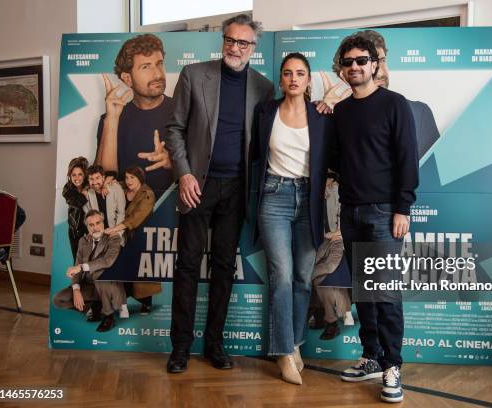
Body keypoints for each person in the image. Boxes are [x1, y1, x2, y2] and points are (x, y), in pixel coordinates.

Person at [164, 14, 275, 373]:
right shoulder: (195, 76)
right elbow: (175, 129)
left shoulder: (263, 87)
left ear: (253, 48)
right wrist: (184, 175)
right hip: (197, 186)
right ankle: (180, 348)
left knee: (225, 268)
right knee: (187, 266)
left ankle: (214, 344)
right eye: (230, 40)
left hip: (237, 190)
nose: (235, 47)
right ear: (222, 41)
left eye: (243, 42)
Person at [331, 36, 418, 403]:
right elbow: (337, 160)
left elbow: (407, 160)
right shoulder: (341, 111)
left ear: (375, 65)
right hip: (350, 212)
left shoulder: (395, 104)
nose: (355, 67)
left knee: (383, 292)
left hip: (385, 212)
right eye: (348, 62)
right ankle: (371, 357)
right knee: (363, 292)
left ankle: (393, 365)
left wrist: (403, 208)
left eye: (361, 61)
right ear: (342, 68)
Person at [251, 52, 331, 384]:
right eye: (287, 73)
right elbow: (255, 155)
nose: (294, 78)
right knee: (281, 276)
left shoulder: (322, 115)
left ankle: (296, 342)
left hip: (310, 200)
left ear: (309, 79)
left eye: (300, 73)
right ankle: (283, 352)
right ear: (281, 79)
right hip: (274, 196)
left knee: (302, 277)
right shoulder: (265, 111)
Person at [323, 29, 439, 159]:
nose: (379, 72)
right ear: (343, 75)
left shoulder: (419, 111)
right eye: (361, 62)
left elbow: (432, 170)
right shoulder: (338, 112)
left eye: (382, 61)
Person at [95, 33, 174, 197]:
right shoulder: (111, 118)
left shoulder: (184, 111)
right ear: (127, 79)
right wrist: (112, 120)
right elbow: (103, 179)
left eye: (159, 64)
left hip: (173, 215)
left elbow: (204, 170)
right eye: (146, 67)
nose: (158, 74)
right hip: (127, 216)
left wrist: (172, 161)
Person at [52, 210, 125, 332]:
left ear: (103, 223)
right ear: (87, 227)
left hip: (108, 285)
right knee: (58, 299)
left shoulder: (113, 238)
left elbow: (107, 261)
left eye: (98, 223)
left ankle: (109, 317)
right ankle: (94, 307)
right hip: (90, 286)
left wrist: (81, 267)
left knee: (98, 274)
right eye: (91, 225)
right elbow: (77, 265)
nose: (95, 228)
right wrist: (76, 289)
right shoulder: (83, 241)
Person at [105, 165, 159, 315]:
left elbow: (136, 219)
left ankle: (146, 303)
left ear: (140, 179)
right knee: (122, 270)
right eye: (127, 177)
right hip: (123, 236)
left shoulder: (147, 194)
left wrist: (115, 229)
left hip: (140, 235)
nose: (128, 181)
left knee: (142, 272)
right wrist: (108, 181)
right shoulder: (122, 187)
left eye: (132, 178)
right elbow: (112, 182)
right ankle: (122, 301)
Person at [309, 176, 353, 341]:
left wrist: (339, 233)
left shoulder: (341, 189)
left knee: (325, 271)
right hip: (320, 241)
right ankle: (329, 320)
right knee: (320, 279)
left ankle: (328, 320)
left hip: (339, 242)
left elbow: (348, 217)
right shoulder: (313, 189)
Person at [83, 165, 126, 234]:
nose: (95, 182)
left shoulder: (116, 188)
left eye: (97, 178)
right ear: (88, 180)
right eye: (91, 179)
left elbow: (121, 214)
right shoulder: (87, 194)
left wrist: (117, 233)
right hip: (98, 234)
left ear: (103, 177)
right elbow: (88, 218)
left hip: (115, 231)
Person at [62, 157, 89, 261]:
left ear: (84, 175)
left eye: (80, 174)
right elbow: (77, 203)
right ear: (70, 176)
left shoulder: (89, 185)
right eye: (74, 175)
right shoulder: (67, 189)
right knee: (77, 261)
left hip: (90, 229)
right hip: (75, 231)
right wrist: (84, 194)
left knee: (90, 262)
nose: (77, 178)